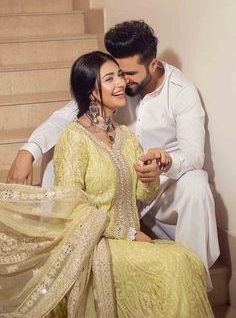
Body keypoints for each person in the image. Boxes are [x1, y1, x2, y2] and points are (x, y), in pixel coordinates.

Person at [7, 20, 219, 289]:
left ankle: (193, 282)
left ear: (153, 65)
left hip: (157, 187)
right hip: (112, 186)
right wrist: (28, 151)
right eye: (116, 73)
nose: (121, 80)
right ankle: (58, 248)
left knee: (197, 183)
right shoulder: (114, 86)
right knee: (54, 161)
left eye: (128, 73)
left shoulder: (183, 93)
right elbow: (64, 117)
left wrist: (165, 163)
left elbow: (193, 153)